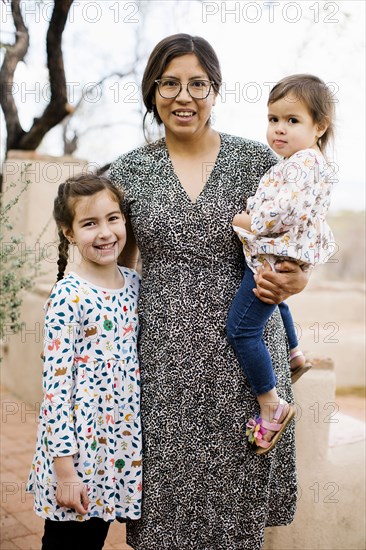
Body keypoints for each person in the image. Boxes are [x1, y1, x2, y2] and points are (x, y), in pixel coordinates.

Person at [109, 33, 310, 550]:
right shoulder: (128, 172)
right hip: (162, 363)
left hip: (244, 365)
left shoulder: (258, 163)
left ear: (215, 90)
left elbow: (296, 245)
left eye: (198, 83)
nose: (184, 96)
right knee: (165, 512)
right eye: (170, 83)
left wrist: (299, 278)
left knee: (235, 514)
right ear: (153, 91)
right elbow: (115, 266)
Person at [26, 175, 142, 550]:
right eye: (90, 223)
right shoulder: (68, 297)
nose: (105, 232)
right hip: (77, 454)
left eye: (113, 218)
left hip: (113, 450)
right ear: (69, 232)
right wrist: (65, 470)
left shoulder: (133, 284)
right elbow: (56, 390)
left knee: (93, 539)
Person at [226, 74, 335, 455]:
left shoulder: (299, 165)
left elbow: (277, 212)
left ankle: (271, 405)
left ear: (318, 126)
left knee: (242, 330)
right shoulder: (309, 163)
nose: (279, 129)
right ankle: (293, 353)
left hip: (272, 258)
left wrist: (244, 219)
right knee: (278, 303)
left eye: (292, 121)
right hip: (280, 254)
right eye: (273, 119)